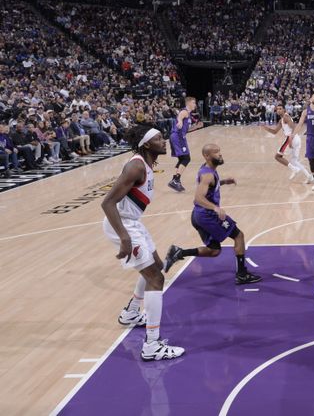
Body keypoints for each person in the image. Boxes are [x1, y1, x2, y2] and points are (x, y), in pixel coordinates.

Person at [100, 125, 185, 360]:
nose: (164, 140)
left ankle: (131, 313)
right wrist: (124, 238)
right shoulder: (136, 166)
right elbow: (107, 203)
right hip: (123, 224)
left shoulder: (145, 165)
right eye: (158, 138)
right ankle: (152, 345)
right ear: (147, 144)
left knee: (156, 267)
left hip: (133, 223)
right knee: (156, 279)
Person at [163, 144, 261, 284]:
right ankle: (242, 274)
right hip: (207, 216)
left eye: (220, 151)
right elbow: (198, 198)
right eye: (216, 152)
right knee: (239, 236)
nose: (220, 154)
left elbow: (209, 186)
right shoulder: (208, 175)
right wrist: (215, 208)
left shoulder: (207, 169)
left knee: (214, 251)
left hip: (198, 215)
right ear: (207, 156)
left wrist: (223, 182)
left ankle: (179, 253)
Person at [263, 103, 314, 185]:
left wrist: (290, 139)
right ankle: (309, 176)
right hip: (296, 139)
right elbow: (275, 132)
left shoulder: (286, 117)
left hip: (291, 138)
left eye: (280, 108)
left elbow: (293, 127)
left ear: (284, 110)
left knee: (277, 156)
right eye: (277, 109)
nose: (279, 110)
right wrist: (266, 128)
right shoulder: (281, 120)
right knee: (295, 160)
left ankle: (294, 169)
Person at [168, 96, 199, 192]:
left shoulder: (189, 115)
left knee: (182, 159)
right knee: (186, 158)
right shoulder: (185, 111)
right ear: (189, 103)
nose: (195, 105)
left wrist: (195, 127)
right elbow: (180, 116)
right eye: (194, 103)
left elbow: (186, 129)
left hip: (179, 137)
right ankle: (175, 180)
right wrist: (180, 121)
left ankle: (176, 180)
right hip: (178, 137)